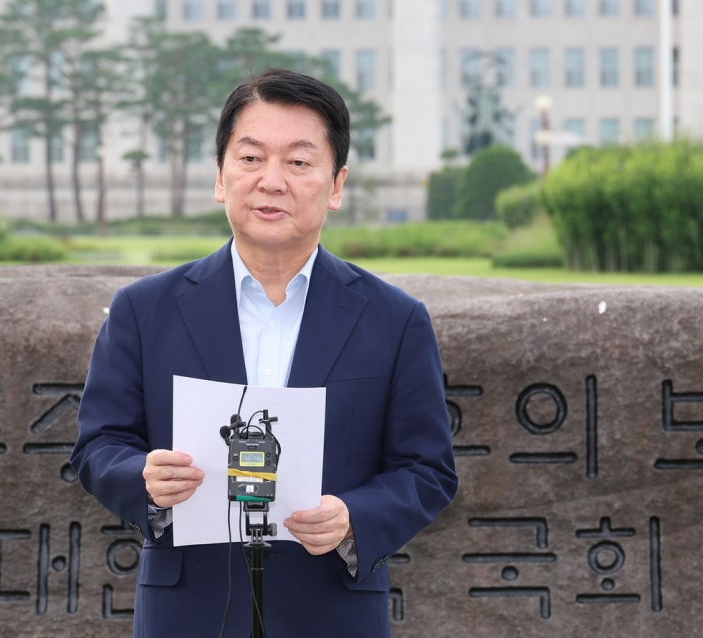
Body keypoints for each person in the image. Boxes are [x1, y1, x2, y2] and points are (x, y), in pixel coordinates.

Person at [70, 68, 457, 637]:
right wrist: (143, 478)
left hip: (331, 611)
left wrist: (354, 518)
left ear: (336, 185)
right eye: (250, 158)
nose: (271, 181)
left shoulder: (394, 320)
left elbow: (427, 470)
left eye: (298, 162)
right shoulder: (144, 310)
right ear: (220, 177)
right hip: (188, 612)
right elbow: (98, 446)